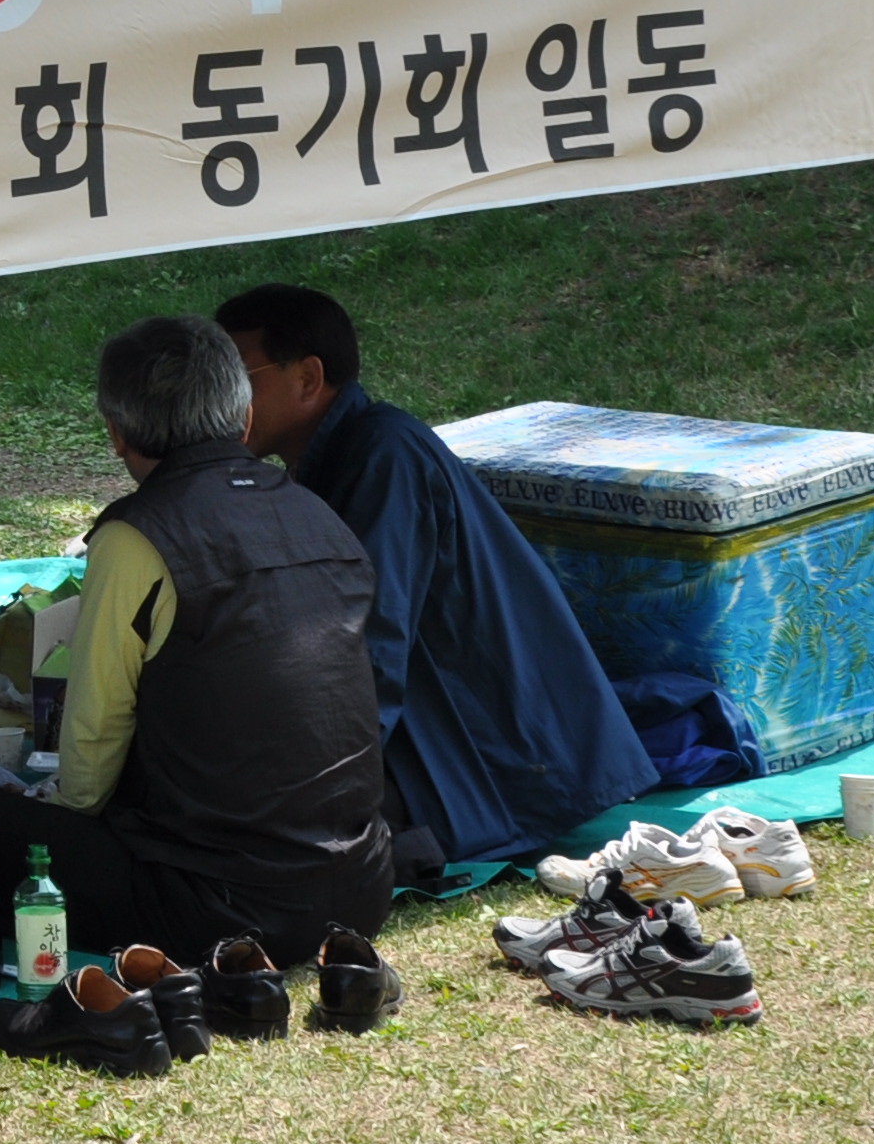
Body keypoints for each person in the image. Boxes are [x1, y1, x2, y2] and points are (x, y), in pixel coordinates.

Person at [0, 317, 391, 966]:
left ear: (117, 433)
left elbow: (92, 744)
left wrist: (49, 809)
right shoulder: (315, 512)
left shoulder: (136, 536)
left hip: (218, 906)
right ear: (245, 416)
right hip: (362, 887)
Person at [215, 284, 658, 876]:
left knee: (265, 831)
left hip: (500, 762)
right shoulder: (330, 458)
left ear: (308, 378)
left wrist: (319, 777)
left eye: (239, 379)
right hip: (449, 730)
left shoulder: (383, 453)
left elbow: (367, 636)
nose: (223, 400)